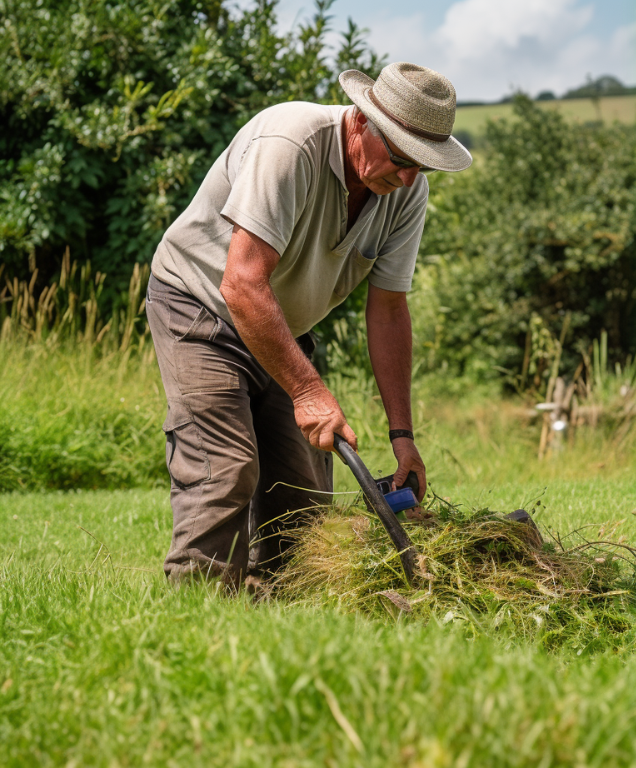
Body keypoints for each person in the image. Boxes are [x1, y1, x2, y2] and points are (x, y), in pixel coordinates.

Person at [145, 62, 472, 587]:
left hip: (279, 323)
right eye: (401, 158)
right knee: (226, 469)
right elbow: (242, 284)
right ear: (364, 123)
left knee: (301, 495)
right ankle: (197, 614)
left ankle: (275, 612)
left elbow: (389, 309)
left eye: (423, 166)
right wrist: (307, 391)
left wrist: (402, 437)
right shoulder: (291, 144)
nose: (409, 177)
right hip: (201, 304)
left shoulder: (404, 191)